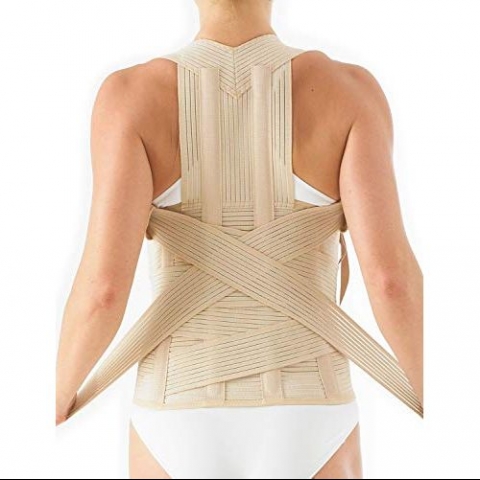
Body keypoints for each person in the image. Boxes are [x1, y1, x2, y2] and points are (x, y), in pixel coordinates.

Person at [56, 1, 423, 478]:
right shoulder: (350, 92)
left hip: (176, 414)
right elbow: (392, 283)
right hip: (311, 412)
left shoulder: (130, 97)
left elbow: (102, 292)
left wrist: (52, 401)